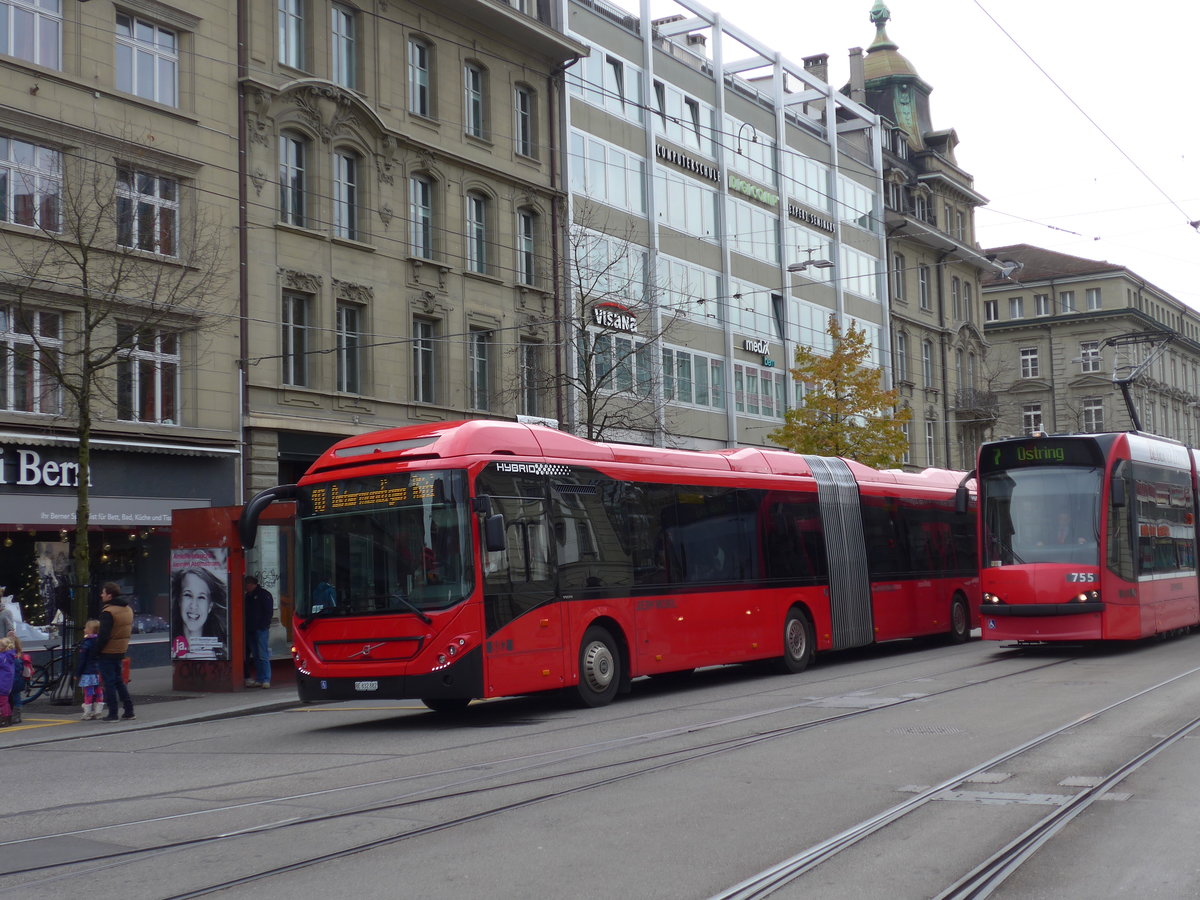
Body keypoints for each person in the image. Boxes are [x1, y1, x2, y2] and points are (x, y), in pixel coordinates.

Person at [170, 566, 229, 659]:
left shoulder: (220, 655)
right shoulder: (170, 649)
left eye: (201, 597)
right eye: (188, 595)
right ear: (179, 600)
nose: (194, 605)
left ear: (210, 606)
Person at [96, 581, 135, 721]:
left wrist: (96, 650)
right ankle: (129, 710)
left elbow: (104, 635)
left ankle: (113, 713)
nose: (101, 595)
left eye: (103, 592)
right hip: (120, 650)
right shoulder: (128, 609)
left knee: (109, 683)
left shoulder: (108, 612)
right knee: (119, 681)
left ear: (109, 595)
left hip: (108, 651)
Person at [243, 574, 274, 689]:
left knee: (262, 654)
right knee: (256, 655)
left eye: (247, 585)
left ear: (252, 584)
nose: (246, 587)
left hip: (260, 629)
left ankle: (266, 679)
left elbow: (268, 612)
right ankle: (260, 679)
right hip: (250, 629)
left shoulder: (264, 595)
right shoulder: (248, 596)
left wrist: (263, 625)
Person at [73, 619, 103, 720]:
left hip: (88, 672)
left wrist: (78, 673)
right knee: (98, 691)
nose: (84, 629)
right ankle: (98, 711)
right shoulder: (101, 641)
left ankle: (87, 712)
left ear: (90, 630)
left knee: (88, 692)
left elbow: (82, 660)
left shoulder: (86, 643)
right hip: (99, 672)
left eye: (86, 628)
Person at [0, 636, 15, 727]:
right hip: (6, 683)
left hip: (2, 683)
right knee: (5, 702)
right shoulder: (9, 656)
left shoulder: (2, 657)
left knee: (2, 702)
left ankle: (4, 719)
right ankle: (8, 718)